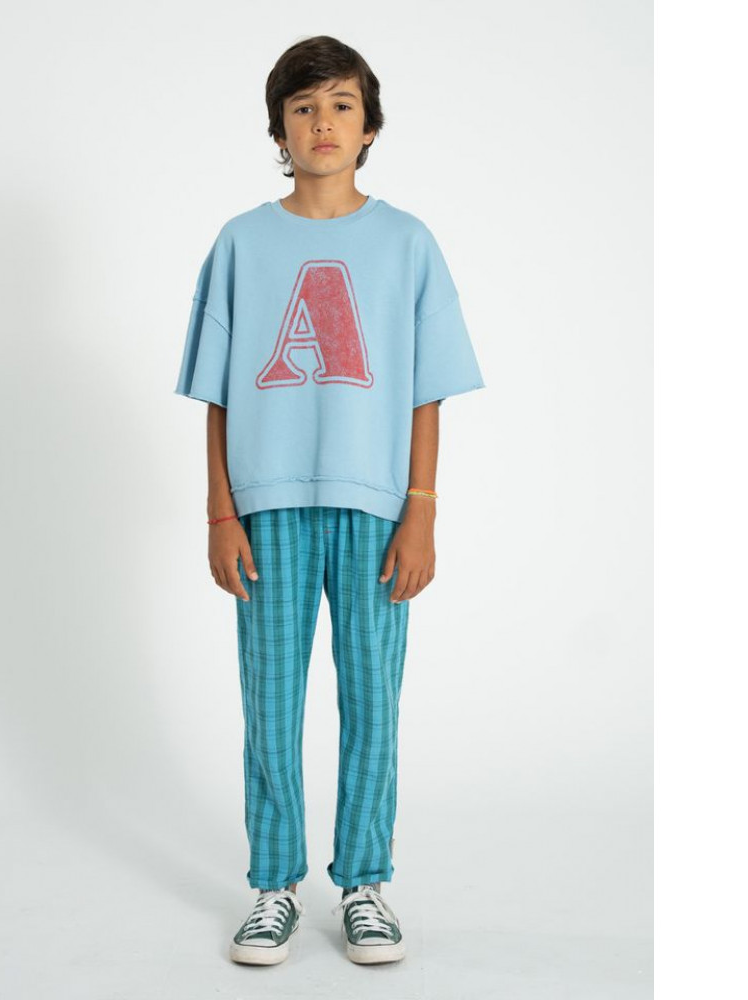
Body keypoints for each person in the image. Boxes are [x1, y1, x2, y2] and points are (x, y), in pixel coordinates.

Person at [174, 35, 485, 966]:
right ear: (278, 129)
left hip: (376, 507)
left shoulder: (407, 242)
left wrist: (421, 508)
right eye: (304, 107)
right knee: (269, 701)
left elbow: (427, 391)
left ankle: (365, 884)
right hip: (265, 507)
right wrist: (220, 511)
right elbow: (218, 394)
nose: (323, 123)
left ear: (370, 125)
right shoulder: (241, 242)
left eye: (342, 105)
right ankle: (274, 884)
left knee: (372, 699)